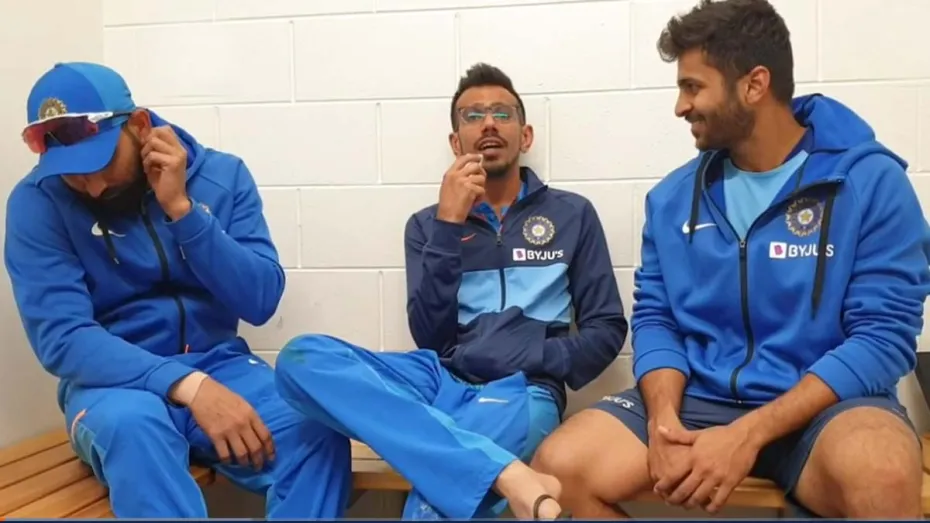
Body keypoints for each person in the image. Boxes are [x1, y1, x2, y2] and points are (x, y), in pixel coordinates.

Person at [530, 0, 930, 519]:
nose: (681, 106)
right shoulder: (673, 199)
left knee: (883, 475)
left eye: (693, 87)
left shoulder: (869, 182)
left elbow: (882, 338)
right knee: (558, 470)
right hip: (702, 399)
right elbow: (656, 319)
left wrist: (749, 434)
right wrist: (662, 422)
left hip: (827, 408)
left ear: (754, 84)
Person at [273, 63, 628, 520]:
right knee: (301, 360)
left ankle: (461, 458)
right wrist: (448, 225)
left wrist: (535, 355)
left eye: (502, 113)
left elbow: (607, 329)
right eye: (472, 116)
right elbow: (431, 337)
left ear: (526, 136)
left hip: (522, 390)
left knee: (429, 510)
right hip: (439, 379)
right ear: (456, 143)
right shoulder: (427, 225)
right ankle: (506, 473)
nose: (488, 124)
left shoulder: (572, 214)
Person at [4, 62, 351, 519]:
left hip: (223, 366)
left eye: (100, 163)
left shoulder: (222, 176)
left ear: (138, 126)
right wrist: (188, 386)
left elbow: (261, 300)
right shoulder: (36, 202)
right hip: (114, 385)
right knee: (134, 430)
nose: (93, 186)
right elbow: (63, 338)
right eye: (72, 173)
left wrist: (183, 212)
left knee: (317, 433)